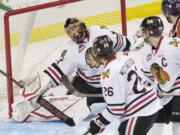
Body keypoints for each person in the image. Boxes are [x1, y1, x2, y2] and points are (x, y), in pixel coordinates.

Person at [12, 17, 131, 122]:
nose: (74, 33)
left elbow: (125, 42)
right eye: (70, 31)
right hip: (85, 87)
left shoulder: (100, 32)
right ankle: (29, 111)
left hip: (110, 82)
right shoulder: (71, 49)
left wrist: (132, 46)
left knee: (132, 101)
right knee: (70, 108)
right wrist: (34, 90)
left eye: (75, 27)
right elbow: (55, 72)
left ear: (82, 25)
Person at [83, 35, 162, 135]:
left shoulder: (108, 74)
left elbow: (116, 109)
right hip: (152, 103)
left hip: (139, 112)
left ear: (97, 54)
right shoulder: (126, 59)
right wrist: (102, 121)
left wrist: (99, 122)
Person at [136, 16, 180, 135]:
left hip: (177, 94)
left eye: (144, 30)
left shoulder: (174, 45)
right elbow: (147, 77)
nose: (142, 33)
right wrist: (138, 89)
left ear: (150, 32)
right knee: (154, 128)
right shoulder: (145, 51)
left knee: (178, 128)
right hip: (161, 95)